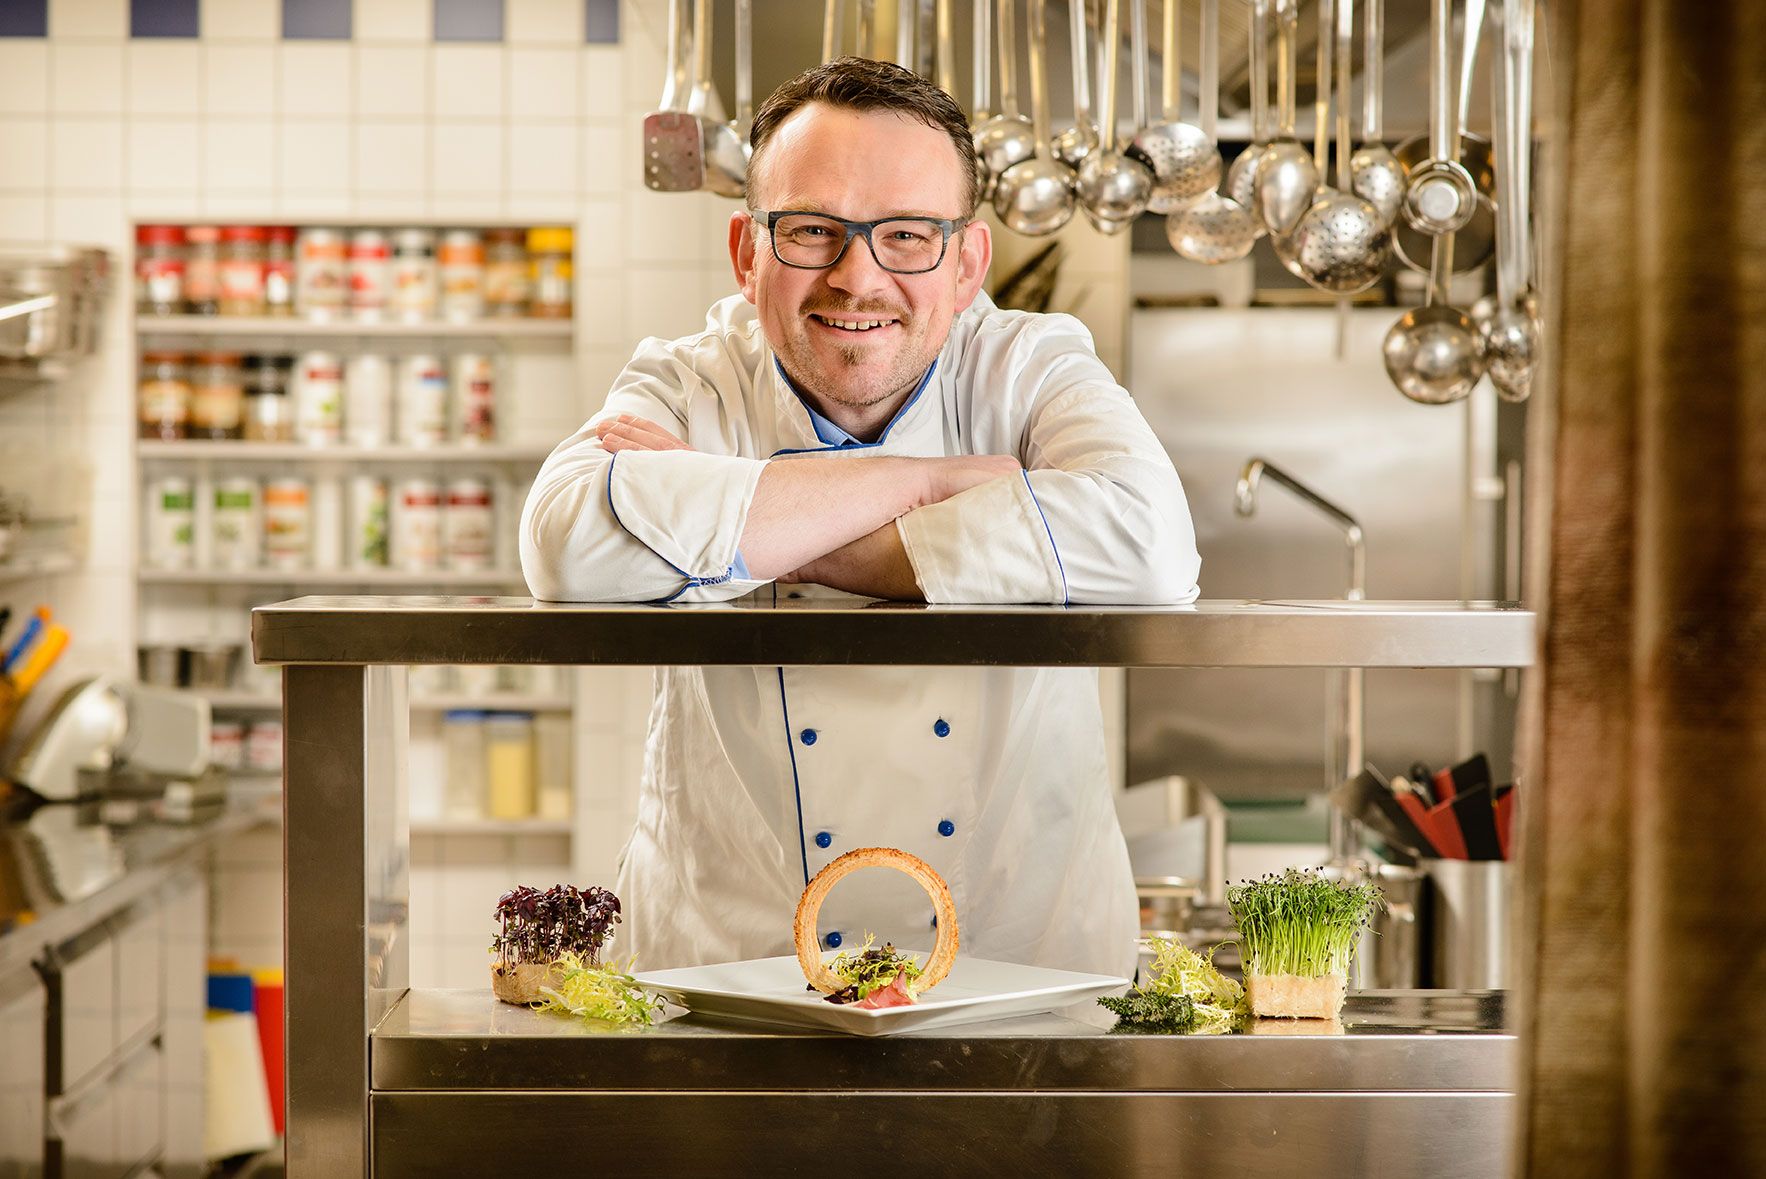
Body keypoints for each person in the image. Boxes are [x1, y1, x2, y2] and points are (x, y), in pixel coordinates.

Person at [520, 57, 1200, 980]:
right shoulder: (692, 378)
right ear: (747, 253)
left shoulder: (1029, 368)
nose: (857, 275)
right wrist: (927, 485)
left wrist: (749, 519)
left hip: (1015, 971)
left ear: (966, 263)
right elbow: (567, 547)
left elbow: (1151, 546)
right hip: (729, 968)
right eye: (812, 230)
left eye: (909, 235)